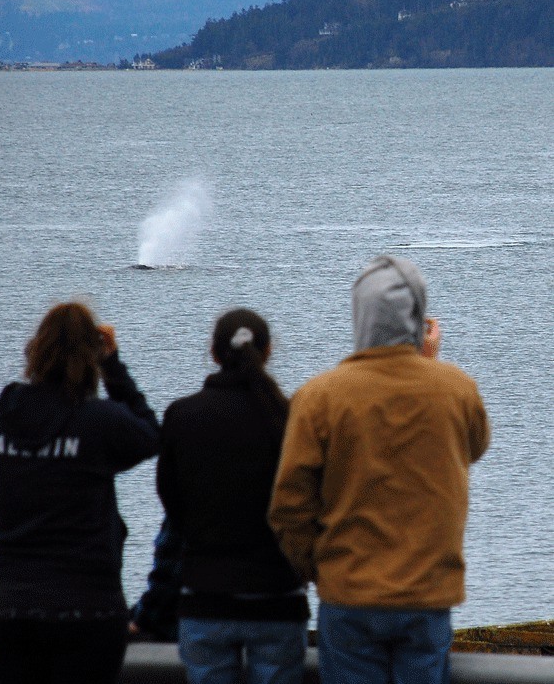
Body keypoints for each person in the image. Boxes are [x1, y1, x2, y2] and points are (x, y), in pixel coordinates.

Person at [269, 255, 491, 684]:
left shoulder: (320, 396)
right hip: (426, 594)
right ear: (418, 316)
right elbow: (474, 446)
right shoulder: (456, 389)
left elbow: (289, 503)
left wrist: (317, 569)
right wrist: (427, 363)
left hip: (348, 592)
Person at [0, 302, 161, 684]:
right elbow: (149, 436)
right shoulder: (98, 420)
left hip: (13, 609)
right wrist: (114, 368)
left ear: (35, 349)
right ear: (91, 356)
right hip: (89, 609)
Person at [157, 308, 310, 684]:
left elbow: (173, 507)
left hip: (205, 597)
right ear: (268, 351)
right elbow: (307, 503)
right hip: (278, 599)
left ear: (214, 352)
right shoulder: (290, 417)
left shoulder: (182, 415)